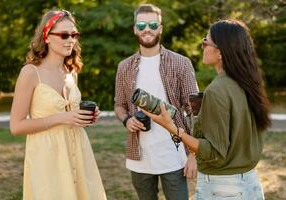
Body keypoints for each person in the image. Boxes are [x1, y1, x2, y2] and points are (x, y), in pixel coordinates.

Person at [142, 19, 271, 199]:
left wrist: (171, 128)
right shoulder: (249, 84)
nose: (202, 45)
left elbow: (214, 152)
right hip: (250, 184)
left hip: (223, 189)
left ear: (220, 52)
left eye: (206, 41)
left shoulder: (217, 90)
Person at [10, 9, 106, 200]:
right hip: (47, 158)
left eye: (74, 34)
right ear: (46, 37)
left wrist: (86, 116)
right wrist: (62, 117)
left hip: (79, 152)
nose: (70, 40)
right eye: (64, 35)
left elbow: (71, 116)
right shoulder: (30, 73)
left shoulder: (71, 71)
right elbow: (16, 126)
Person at [114, 4, 199, 200]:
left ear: (160, 28)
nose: (147, 29)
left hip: (174, 155)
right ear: (135, 29)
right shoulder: (124, 67)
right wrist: (127, 120)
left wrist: (193, 155)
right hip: (139, 156)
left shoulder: (181, 63)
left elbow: (195, 111)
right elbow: (119, 105)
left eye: (153, 24)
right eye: (141, 25)